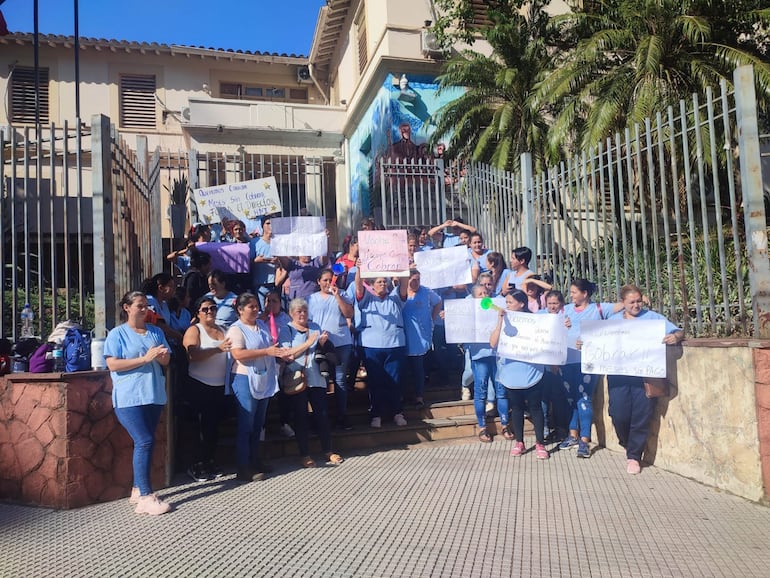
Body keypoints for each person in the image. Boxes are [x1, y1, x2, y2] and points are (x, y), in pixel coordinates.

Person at [104, 291, 172, 515]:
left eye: (147, 306)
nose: (145, 310)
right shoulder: (117, 334)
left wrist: (161, 356)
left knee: (146, 443)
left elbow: (166, 360)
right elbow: (113, 364)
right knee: (144, 440)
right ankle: (145, 496)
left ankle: (136, 488)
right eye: (140, 306)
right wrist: (144, 359)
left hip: (153, 394)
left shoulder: (156, 332)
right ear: (127, 308)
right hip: (129, 397)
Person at [603, 284, 683, 474]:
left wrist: (676, 337)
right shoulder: (613, 321)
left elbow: (678, 331)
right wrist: (585, 342)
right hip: (619, 376)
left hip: (645, 376)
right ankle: (626, 443)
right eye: (632, 302)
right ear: (623, 303)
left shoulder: (653, 318)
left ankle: (634, 456)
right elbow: (598, 340)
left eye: (639, 301)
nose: (636, 305)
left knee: (642, 414)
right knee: (618, 413)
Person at [226, 292, 288, 482]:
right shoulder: (236, 330)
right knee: (246, 425)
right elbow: (238, 354)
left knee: (258, 424)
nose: (255, 310)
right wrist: (266, 351)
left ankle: (255, 460)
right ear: (240, 309)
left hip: (263, 377)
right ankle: (243, 466)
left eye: (256, 306)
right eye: (251, 306)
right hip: (244, 377)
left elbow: (269, 346)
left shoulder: (261, 325)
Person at [279, 298, 344, 468]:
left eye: (304, 311)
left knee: (322, 415)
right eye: (298, 311)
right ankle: (304, 454)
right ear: (291, 313)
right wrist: (308, 343)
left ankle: (328, 451)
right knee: (301, 418)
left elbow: (320, 350)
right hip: (297, 377)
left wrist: (321, 343)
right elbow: (287, 354)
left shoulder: (315, 327)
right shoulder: (286, 330)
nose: (302, 314)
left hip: (316, 377)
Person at [558, 279, 617, 458]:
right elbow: (547, 323)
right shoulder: (565, 310)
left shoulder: (599, 309)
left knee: (584, 398)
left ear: (585, 294)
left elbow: (623, 308)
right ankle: (572, 434)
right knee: (571, 398)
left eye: (574, 292)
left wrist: (642, 296)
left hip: (589, 361)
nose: (571, 295)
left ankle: (585, 441)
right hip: (567, 360)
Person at [490, 290, 548, 459]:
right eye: (506, 302)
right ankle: (519, 442)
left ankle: (540, 443)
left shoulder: (534, 320)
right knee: (516, 408)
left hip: (531, 371)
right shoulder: (503, 320)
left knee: (536, 408)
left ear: (521, 304)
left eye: (510, 302)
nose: (507, 306)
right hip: (511, 372)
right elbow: (493, 343)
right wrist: (500, 321)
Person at [182, 296, 231, 482]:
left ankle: (209, 460)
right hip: (199, 385)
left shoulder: (223, 330)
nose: (210, 312)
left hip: (220, 386)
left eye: (213, 308)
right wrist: (218, 349)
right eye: (205, 309)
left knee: (214, 428)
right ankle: (196, 464)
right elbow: (192, 354)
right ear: (198, 313)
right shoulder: (194, 330)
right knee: (199, 429)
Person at [354, 262, 408, 427]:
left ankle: (397, 412)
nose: (383, 284)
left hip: (395, 345)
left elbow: (404, 285)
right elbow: (358, 287)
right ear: (371, 285)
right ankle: (376, 415)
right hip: (372, 346)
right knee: (376, 381)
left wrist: (406, 268)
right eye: (379, 282)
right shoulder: (366, 300)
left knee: (395, 380)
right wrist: (359, 269)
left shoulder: (395, 298)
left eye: (385, 281)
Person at [307, 269, 355, 429]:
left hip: (342, 342)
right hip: (322, 344)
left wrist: (337, 296)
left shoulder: (342, 294)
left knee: (340, 379)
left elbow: (349, 313)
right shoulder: (311, 299)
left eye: (330, 280)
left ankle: (342, 416)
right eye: (325, 280)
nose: (328, 283)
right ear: (319, 281)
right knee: (322, 380)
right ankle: (321, 418)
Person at [399, 270, 441, 408]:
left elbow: (438, 302)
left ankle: (419, 396)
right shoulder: (400, 292)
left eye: (417, 279)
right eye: (412, 279)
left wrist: (432, 319)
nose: (415, 282)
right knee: (403, 369)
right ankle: (403, 396)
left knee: (418, 368)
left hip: (419, 337)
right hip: (402, 336)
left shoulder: (426, 292)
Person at [258, 289, 295, 438]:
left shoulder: (286, 319)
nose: (271, 304)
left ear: (280, 303)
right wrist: (265, 315)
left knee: (283, 394)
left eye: (274, 301)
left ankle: (284, 423)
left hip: (281, 360)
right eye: (268, 301)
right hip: (264, 361)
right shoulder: (260, 319)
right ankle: (261, 426)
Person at [465, 284, 499, 442]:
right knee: (480, 391)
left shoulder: (497, 307)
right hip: (479, 356)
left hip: (497, 355)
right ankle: (482, 427)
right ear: (473, 297)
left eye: (486, 292)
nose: (484, 295)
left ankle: (505, 424)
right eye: (480, 293)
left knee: (501, 390)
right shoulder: (468, 311)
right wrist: (449, 317)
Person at [249, 216, 279, 309]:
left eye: (273, 223)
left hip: (278, 282)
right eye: (268, 223)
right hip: (261, 283)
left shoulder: (279, 241)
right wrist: (256, 261)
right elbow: (249, 261)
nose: (271, 226)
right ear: (262, 226)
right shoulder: (254, 242)